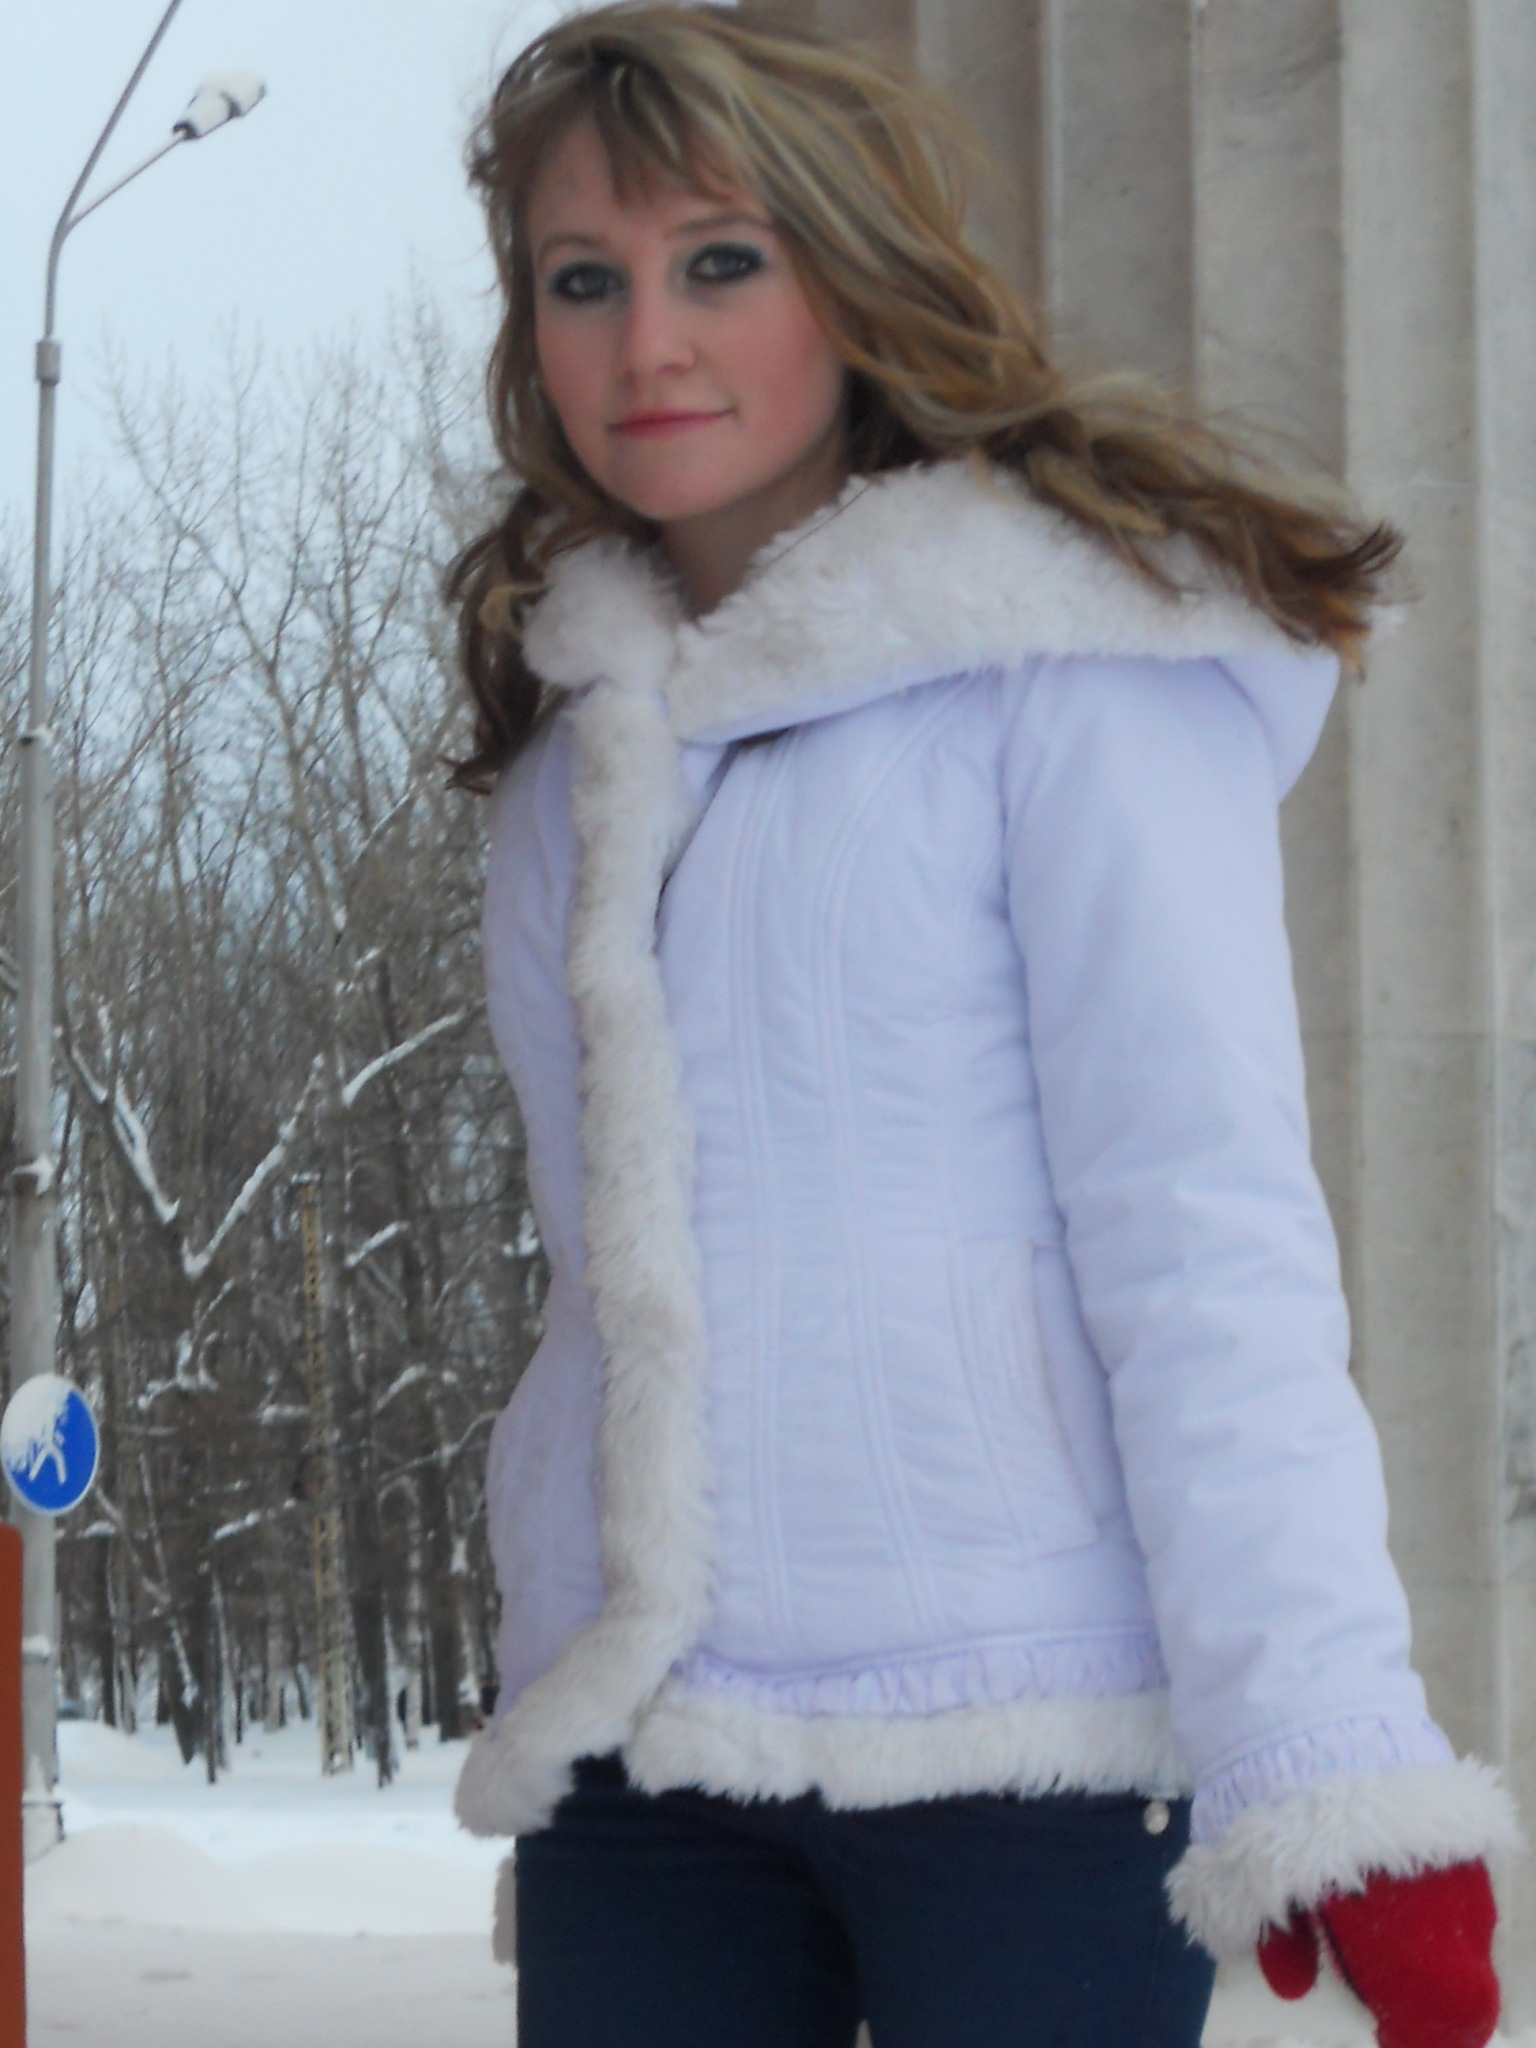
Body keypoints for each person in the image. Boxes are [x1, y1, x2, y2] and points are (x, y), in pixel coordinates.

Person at [446, 7, 1520, 2044]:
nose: (647, 342)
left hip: (1027, 1748)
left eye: (719, 262)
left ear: (851, 276)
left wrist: (1329, 1743)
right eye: (584, 280)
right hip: (647, 1749)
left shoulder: (1064, 675)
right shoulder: (581, 764)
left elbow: (1202, 1233)